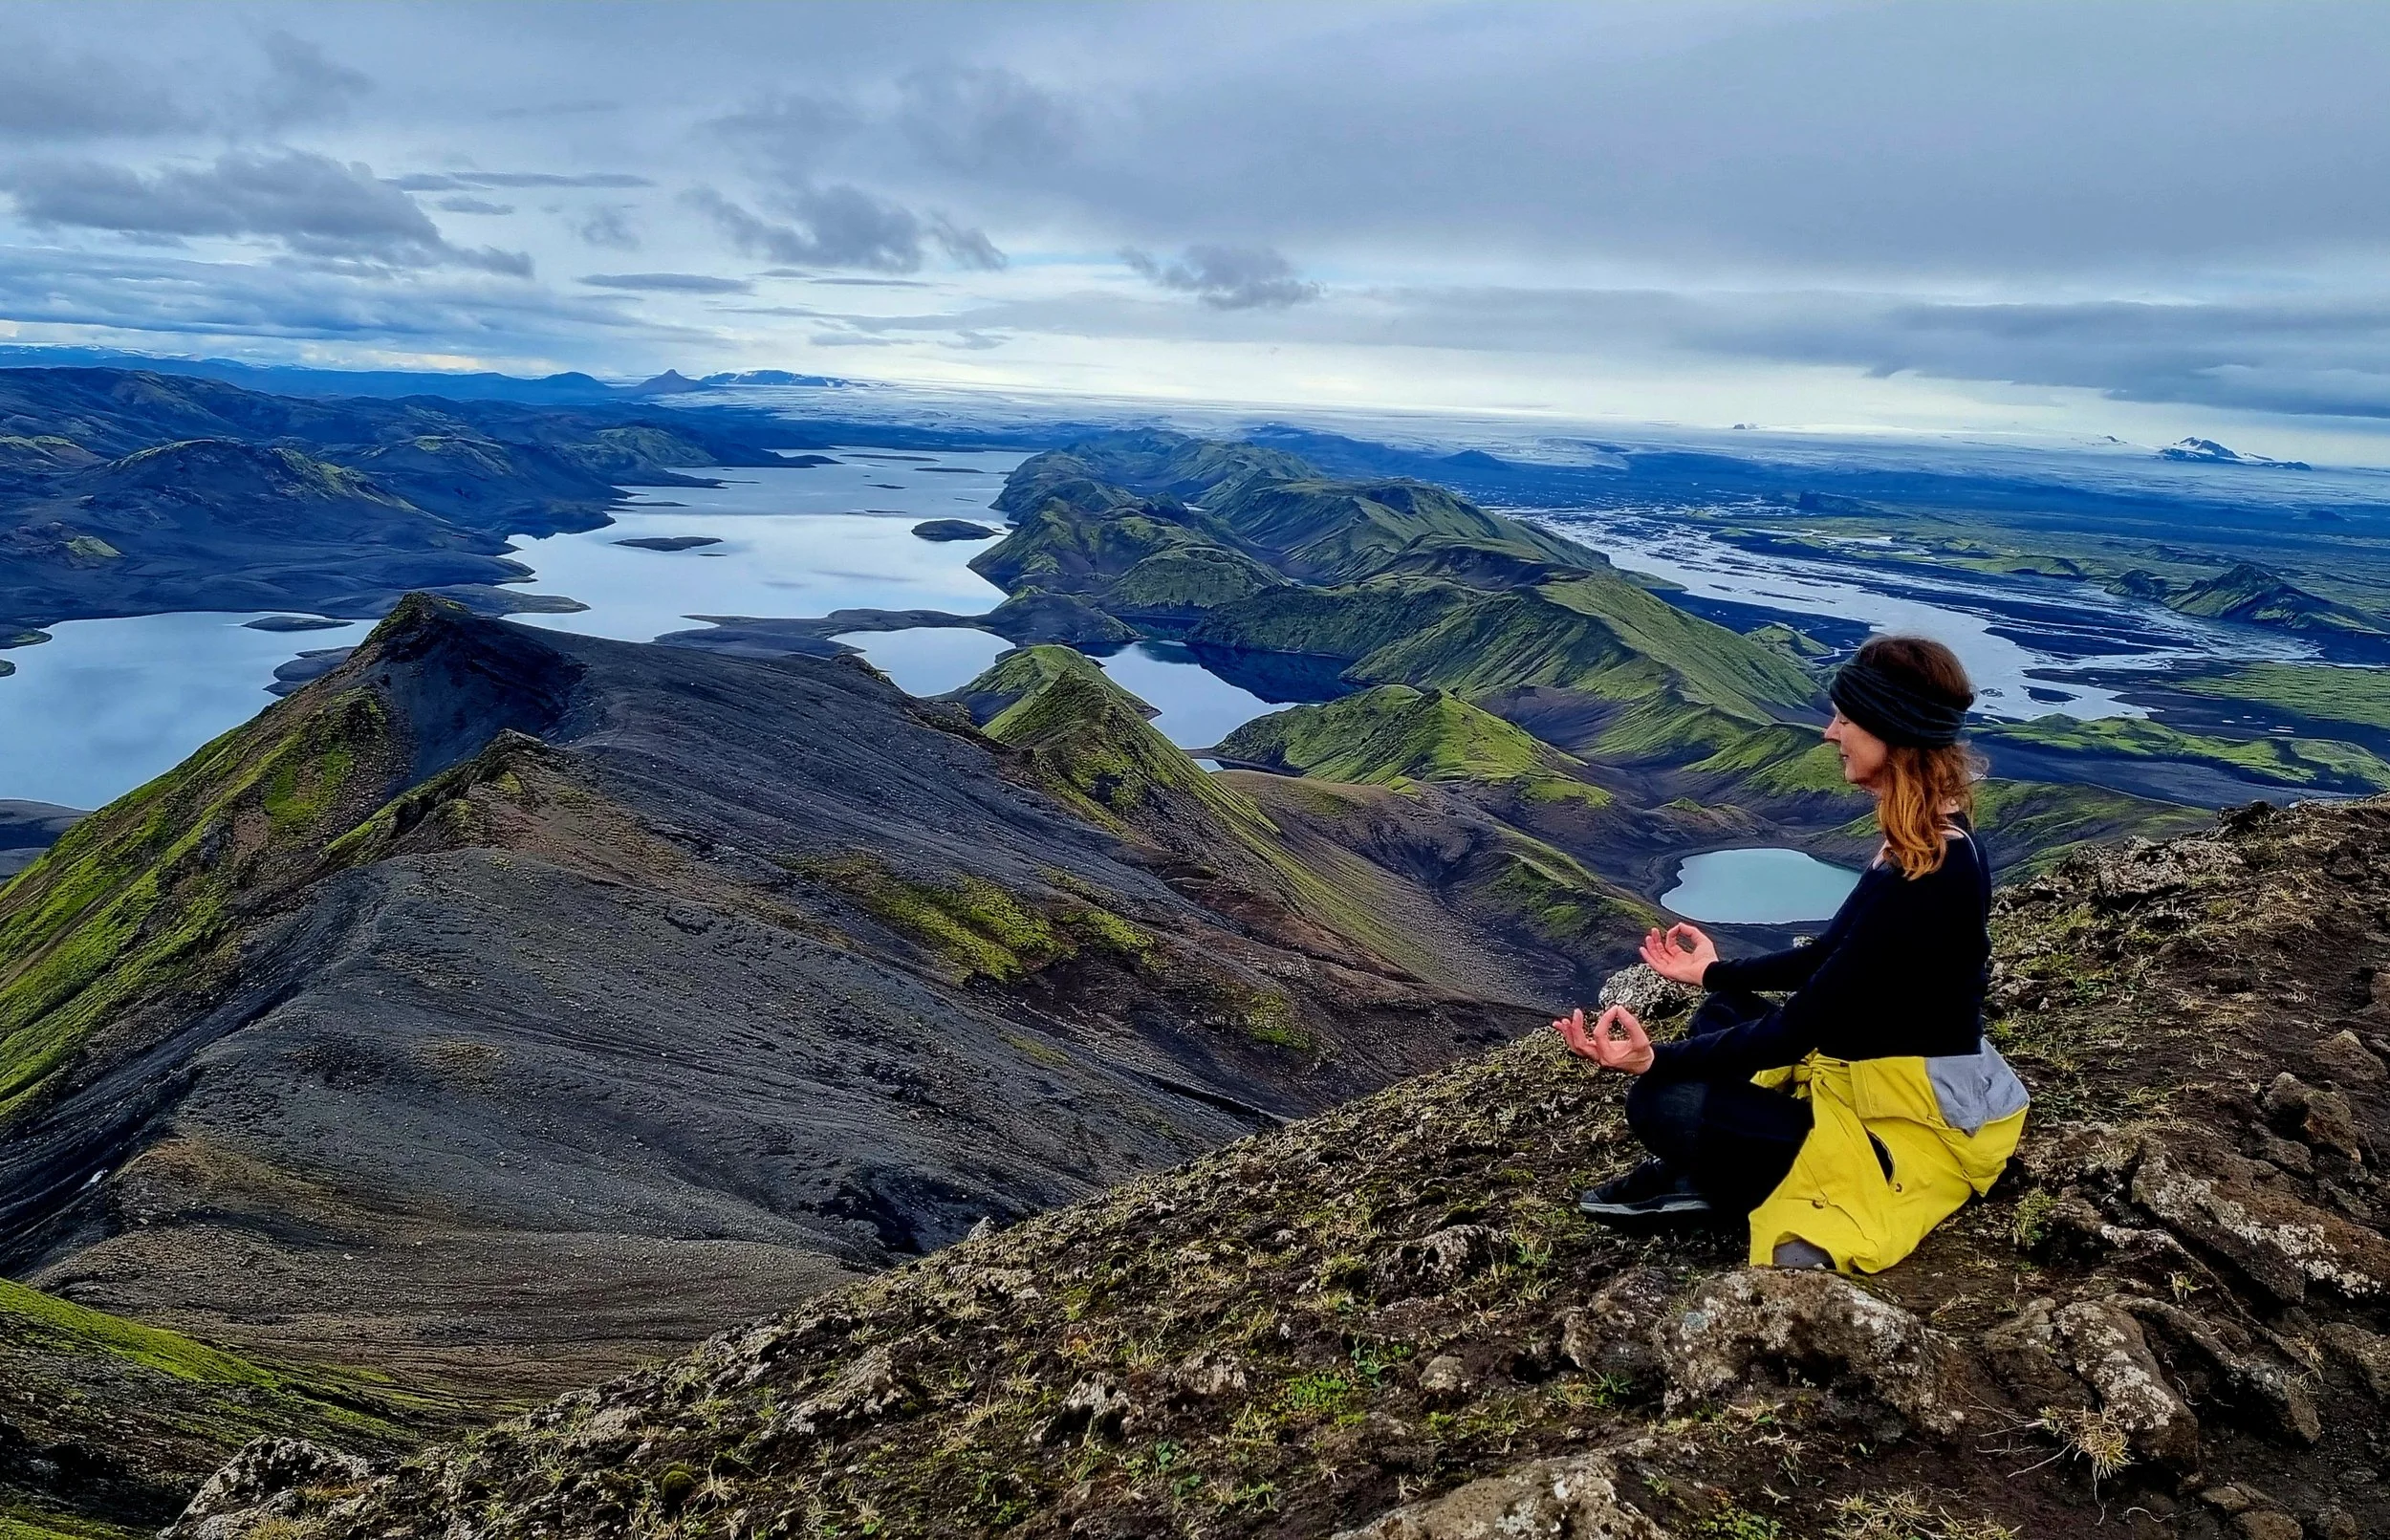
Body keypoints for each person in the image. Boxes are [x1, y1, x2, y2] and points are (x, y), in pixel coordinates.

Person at [1553, 635, 2029, 1274]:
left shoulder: (1932, 873)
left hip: (1906, 1125)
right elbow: (1829, 954)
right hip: (1870, 1084)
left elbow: (1798, 1028)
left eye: (1847, 719)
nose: (1831, 733)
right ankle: (1718, 1158)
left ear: (1893, 731)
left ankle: (1719, 1178)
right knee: (1723, 1005)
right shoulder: (1923, 843)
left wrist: (1652, 1059)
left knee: (1658, 1101)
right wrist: (1712, 971)